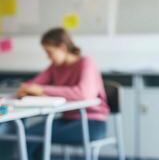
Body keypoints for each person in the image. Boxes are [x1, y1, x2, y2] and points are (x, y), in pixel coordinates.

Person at [16, 27, 109, 159]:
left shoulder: (86, 63)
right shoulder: (56, 67)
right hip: (67, 119)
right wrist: (26, 88)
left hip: (91, 122)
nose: (48, 57)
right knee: (28, 134)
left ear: (62, 48)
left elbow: (84, 94)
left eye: (50, 52)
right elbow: (34, 84)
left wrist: (42, 90)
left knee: (31, 135)